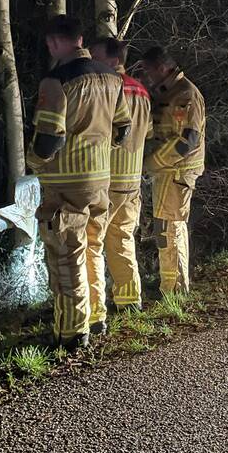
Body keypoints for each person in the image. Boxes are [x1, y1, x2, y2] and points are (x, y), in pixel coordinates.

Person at [28, 15, 131, 351]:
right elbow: (122, 129)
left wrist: (32, 164)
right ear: (81, 39)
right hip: (102, 180)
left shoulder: (55, 81)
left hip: (65, 183)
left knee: (66, 255)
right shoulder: (112, 77)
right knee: (94, 248)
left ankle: (71, 331)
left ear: (53, 42)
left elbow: (49, 140)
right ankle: (96, 316)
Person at [90, 37, 152, 315]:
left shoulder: (106, 88)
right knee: (123, 241)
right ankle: (129, 301)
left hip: (106, 179)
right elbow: (148, 133)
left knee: (92, 244)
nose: (91, 62)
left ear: (113, 61)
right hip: (132, 180)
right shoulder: (143, 92)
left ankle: (92, 309)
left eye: (96, 57)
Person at [140, 47, 205, 296]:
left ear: (161, 68)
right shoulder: (170, 94)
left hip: (177, 172)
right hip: (169, 171)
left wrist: (151, 163)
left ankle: (175, 289)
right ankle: (171, 286)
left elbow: (187, 141)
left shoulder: (185, 95)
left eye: (148, 71)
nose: (146, 77)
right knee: (165, 228)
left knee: (171, 228)